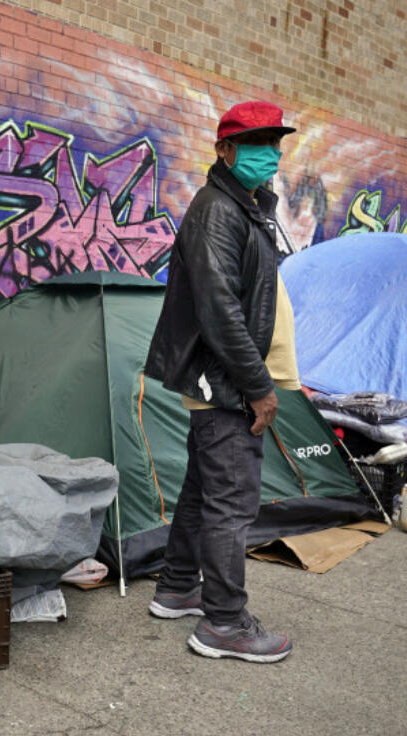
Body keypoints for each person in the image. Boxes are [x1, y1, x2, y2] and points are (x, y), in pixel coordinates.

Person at [143, 100, 301, 663]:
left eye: (275, 143)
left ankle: (178, 587)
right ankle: (225, 624)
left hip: (225, 377)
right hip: (228, 381)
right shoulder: (219, 210)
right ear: (225, 149)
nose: (271, 153)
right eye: (257, 142)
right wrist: (257, 385)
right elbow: (219, 310)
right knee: (231, 504)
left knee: (204, 490)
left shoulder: (247, 205)